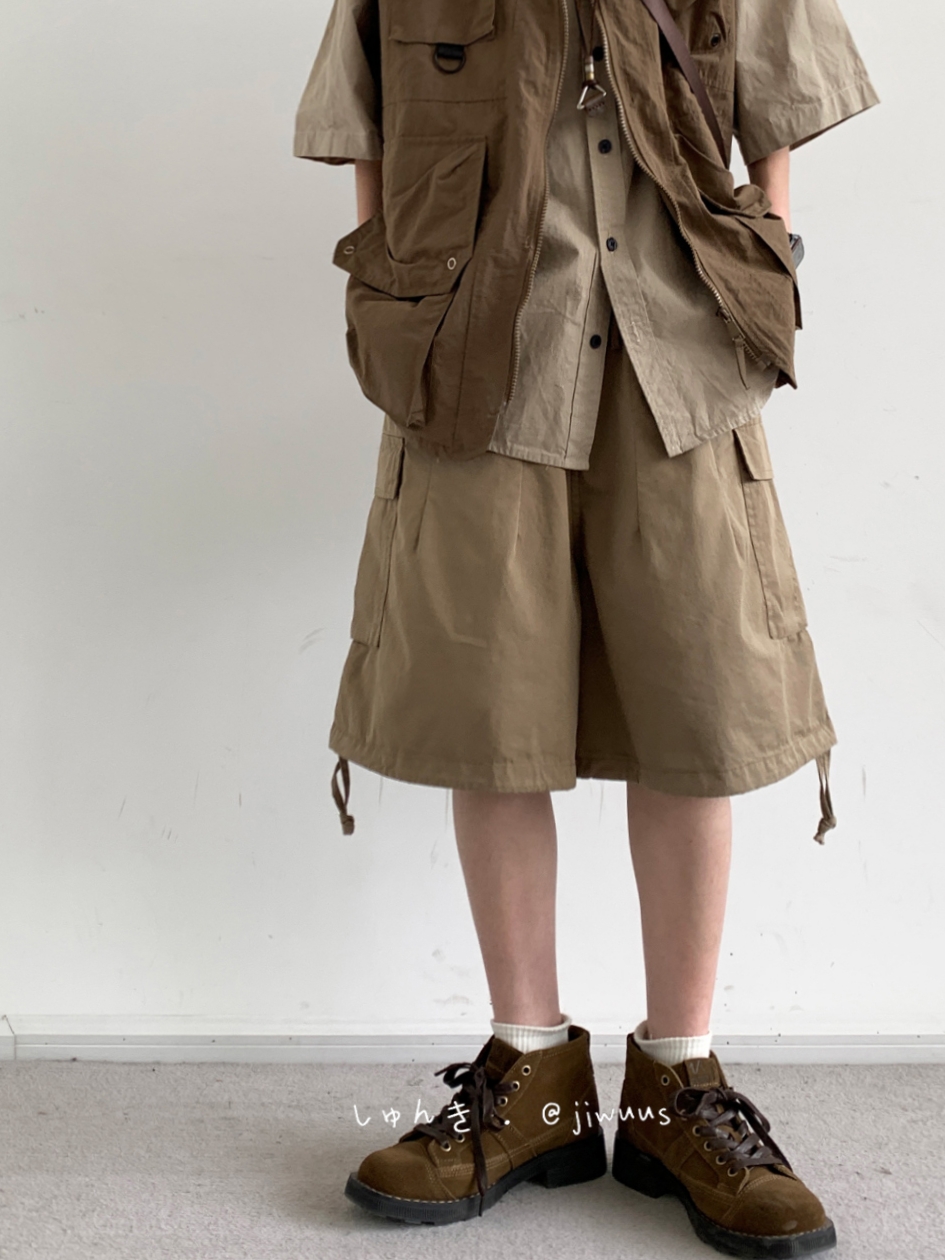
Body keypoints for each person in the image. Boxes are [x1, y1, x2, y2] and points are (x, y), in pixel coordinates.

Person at [294, 0, 879, 1253]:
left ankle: (680, 1084)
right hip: (477, 349)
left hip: (685, 344)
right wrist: (395, 284)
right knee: (488, 711)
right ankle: (534, 1082)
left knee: (700, 708)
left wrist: (767, 242)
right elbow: (365, 115)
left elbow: (781, 88)